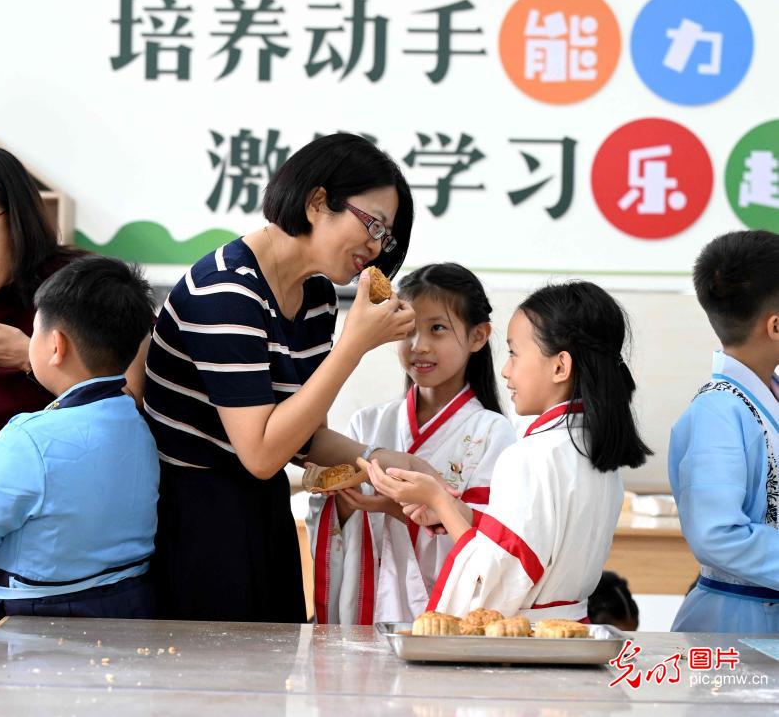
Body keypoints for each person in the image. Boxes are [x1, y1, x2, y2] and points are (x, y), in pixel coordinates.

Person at [145, 133, 432, 623]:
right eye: (373, 225)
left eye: (385, 236)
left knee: (270, 688)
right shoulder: (225, 290)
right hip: (194, 518)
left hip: (262, 510)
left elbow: (301, 436)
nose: (376, 246)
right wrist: (354, 345)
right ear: (318, 202)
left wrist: (377, 461)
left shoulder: (316, 294)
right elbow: (259, 452)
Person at [0, 146, 146, 649]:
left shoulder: (79, 288)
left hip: (80, 541)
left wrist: (26, 360)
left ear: (13, 217)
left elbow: (131, 402)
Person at [370, 281, 651, 622]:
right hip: (570, 628)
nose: (505, 369)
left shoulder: (531, 455)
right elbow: (531, 544)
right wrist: (457, 512)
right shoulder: (593, 448)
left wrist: (438, 500)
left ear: (560, 366)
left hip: (525, 642)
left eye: (515, 353)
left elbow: (493, 583)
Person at [307, 263, 515, 623]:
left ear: (478, 336)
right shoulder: (367, 424)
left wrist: (393, 508)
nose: (419, 346)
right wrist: (340, 506)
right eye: (408, 331)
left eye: (437, 329)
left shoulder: (493, 433)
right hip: (366, 611)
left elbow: (490, 546)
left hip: (446, 617)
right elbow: (330, 526)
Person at [670, 230, 779, 634]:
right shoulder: (718, 410)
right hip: (736, 622)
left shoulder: (768, 395)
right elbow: (716, 535)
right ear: (775, 326)